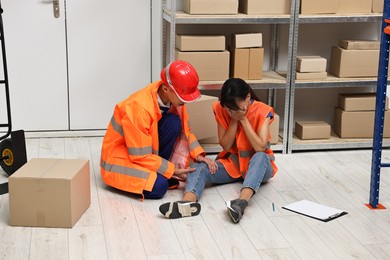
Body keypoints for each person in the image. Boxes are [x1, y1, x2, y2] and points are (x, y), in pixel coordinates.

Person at [159, 78, 278, 223]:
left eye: (234, 107)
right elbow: (226, 146)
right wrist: (235, 118)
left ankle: (240, 202)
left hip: (261, 167)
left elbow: (260, 147)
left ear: (248, 97)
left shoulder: (263, 111)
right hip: (234, 165)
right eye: (228, 108)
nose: (229, 111)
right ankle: (187, 203)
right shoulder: (221, 109)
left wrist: (243, 120)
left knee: (260, 156)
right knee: (198, 167)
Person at [100, 60, 217, 200]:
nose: (184, 102)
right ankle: (158, 175)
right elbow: (139, 156)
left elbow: (185, 131)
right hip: (121, 158)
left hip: (142, 151)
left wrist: (198, 154)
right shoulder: (139, 108)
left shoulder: (173, 97)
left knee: (174, 123)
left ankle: (158, 172)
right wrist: (171, 170)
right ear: (166, 89)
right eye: (182, 98)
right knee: (159, 187)